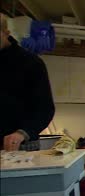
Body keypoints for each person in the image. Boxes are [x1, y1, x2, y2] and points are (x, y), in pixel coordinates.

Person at [0, 13, 55, 151]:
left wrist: (23, 133)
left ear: (6, 33)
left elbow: (45, 109)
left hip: (21, 146)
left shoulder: (31, 63)